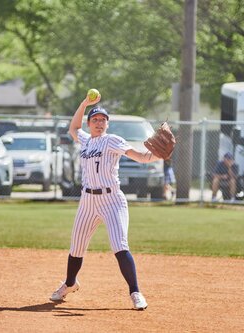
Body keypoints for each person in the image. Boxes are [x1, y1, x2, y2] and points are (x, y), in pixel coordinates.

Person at [49, 93, 162, 310]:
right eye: (95, 120)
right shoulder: (86, 140)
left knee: (120, 245)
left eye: (103, 120)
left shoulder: (112, 140)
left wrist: (157, 155)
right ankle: (70, 283)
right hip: (88, 201)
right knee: (77, 247)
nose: (99, 123)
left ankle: (135, 292)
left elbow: (139, 156)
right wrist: (84, 104)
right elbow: (73, 129)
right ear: (90, 123)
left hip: (112, 200)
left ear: (107, 124)